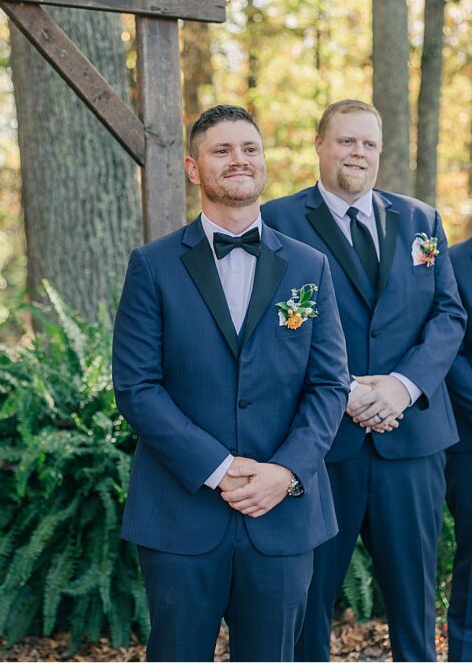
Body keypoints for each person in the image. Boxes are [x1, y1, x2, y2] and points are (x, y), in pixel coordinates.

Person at [112, 105, 350, 661]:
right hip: (180, 513)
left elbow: (330, 385)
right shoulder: (152, 265)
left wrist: (285, 472)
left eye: (249, 149)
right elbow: (137, 386)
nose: (239, 160)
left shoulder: (309, 267)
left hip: (283, 515)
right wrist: (218, 469)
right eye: (222, 150)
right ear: (195, 169)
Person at [261, 99, 467, 661]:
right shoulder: (276, 221)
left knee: (415, 603)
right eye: (346, 141)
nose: (358, 153)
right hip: (320, 444)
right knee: (306, 600)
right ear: (321, 146)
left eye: (368, 144)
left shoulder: (421, 221)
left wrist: (402, 385)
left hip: (412, 441)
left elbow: (449, 315)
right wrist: (346, 391)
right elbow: (267, 326)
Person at [445, 210, 472, 661]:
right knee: (469, 555)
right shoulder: (448, 261)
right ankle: (464, 650)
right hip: (462, 434)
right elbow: (448, 349)